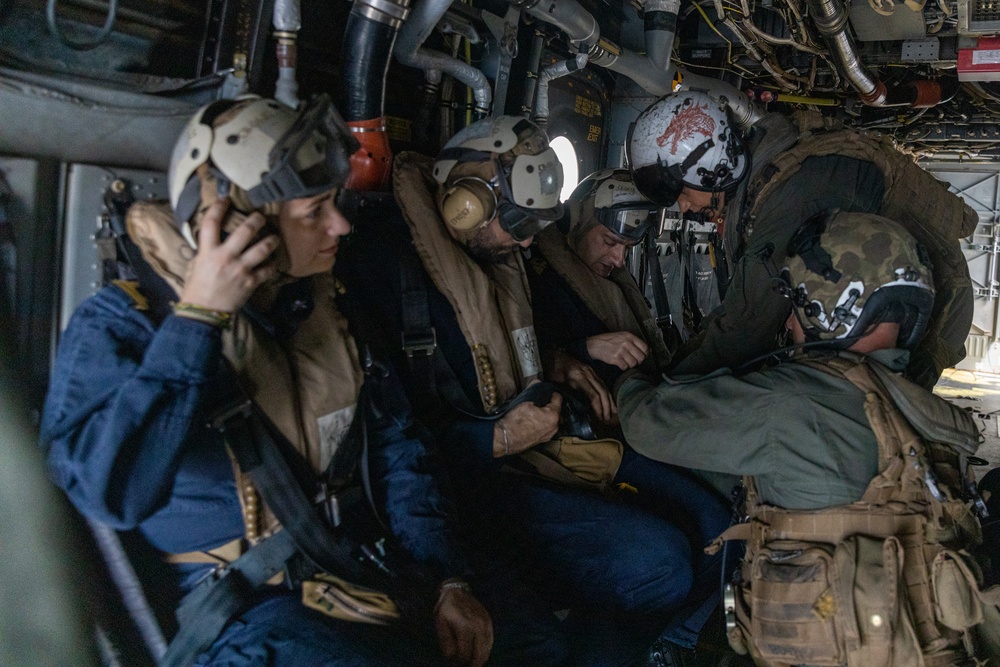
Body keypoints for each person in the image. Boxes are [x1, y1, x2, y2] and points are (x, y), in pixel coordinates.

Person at [41, 96, 567, 667]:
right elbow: (110, 492)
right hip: (247, 612)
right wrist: (197, 322)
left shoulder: (320, 305)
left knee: (538, 642)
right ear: (246, 224)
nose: (340, 224)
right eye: (315, 211)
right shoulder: (129, 322)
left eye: (334, 203)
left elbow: (397, 445)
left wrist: (448, 579)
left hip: (359, 565)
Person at [336, 115, 716, 664]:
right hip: (471, 480)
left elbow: (518, 343)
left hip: (538, 454)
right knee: (659, 564)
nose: (527, 239)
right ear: (465, 202)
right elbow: (386, 435)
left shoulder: (501, 258)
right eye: (517, 221)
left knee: (697, 527)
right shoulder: (383, 266)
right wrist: (495, 440)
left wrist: (565, 360)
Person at [616, 210, 991, 665]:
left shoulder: (793, 401)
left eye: (797, 307)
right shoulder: (937, 420)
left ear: (832, 307)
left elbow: (646, 425)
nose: (791, 326)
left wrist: (626, 378)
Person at [628, 90, 977, 388]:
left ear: (713, 166)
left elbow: (745, 328)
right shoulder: (777, 174)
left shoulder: (792, 198)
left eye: (680, 191)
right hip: (886, 303)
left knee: (860, 422)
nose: (683, 206)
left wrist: (662, 389)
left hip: (926, 314)